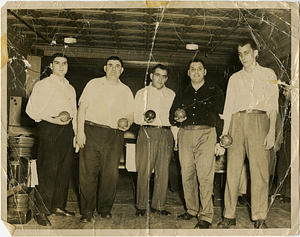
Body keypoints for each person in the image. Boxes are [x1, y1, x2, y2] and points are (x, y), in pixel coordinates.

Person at [217, 38, 279, 229]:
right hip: (237, 122)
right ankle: (229, 215)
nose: (243, 57)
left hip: (260, 122)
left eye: (246, 52)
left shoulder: (268, 74)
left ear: (255, 53)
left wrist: (271, 131)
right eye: (240, 54)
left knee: (259, 171)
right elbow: (228, 109)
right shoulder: (235, 78)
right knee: (232, 171)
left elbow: (273, 107)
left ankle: (260, 216)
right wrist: (224, 136)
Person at [76, 56, 134, 223]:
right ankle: (87, 210)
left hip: (114, 134)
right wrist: (80, 133)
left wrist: (128, 123)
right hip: (92, 130)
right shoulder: (93, 84)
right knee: (88, 173)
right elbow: (82, 109)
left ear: (122, 70)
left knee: (111, 174)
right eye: (110, 65)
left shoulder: (126, 90)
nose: (113, 69)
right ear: (104, 68)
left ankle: (105, 208)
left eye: (117, 66)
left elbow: (131, 114)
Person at [169, 58, 225, 229]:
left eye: (199, 69)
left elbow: (221, 117)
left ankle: (206, 216)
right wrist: (177, 118)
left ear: (205, 71)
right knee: (186, 175)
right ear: (188, 73)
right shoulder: (181, 92)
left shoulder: (215, 90)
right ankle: (192, 209)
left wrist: (219, 140)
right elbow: (171, 116)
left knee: (205, 176)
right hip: (185, 134)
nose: (196, 72)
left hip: (207, 134)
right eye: (192, 69)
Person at [26, 53, 77, 226]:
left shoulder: (70, 87)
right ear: (51, 65)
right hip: (49, 130)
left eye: (65, 63)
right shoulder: (43, 84)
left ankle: (58, 206)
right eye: (57, 63)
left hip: (67, 131)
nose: (61, 67)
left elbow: (74, 113)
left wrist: (76, 134)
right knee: (47, 171)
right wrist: (53, 119)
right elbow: (31, 111)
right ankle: (41, 211)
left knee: (63, 170)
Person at [134, 64, 175, 216]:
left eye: (164, 76)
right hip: (147, 132)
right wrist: (143, 118)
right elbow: (135, 116)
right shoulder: (141, 93)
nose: (160, 79)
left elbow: (174, 119)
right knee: (144, 170)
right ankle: (141, 205)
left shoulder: (171, 94)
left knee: (163, 171)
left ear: (167, 78)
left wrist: (175, 138)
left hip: (165, 133)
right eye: (157, 75)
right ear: (151, 76)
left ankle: (159, 205)